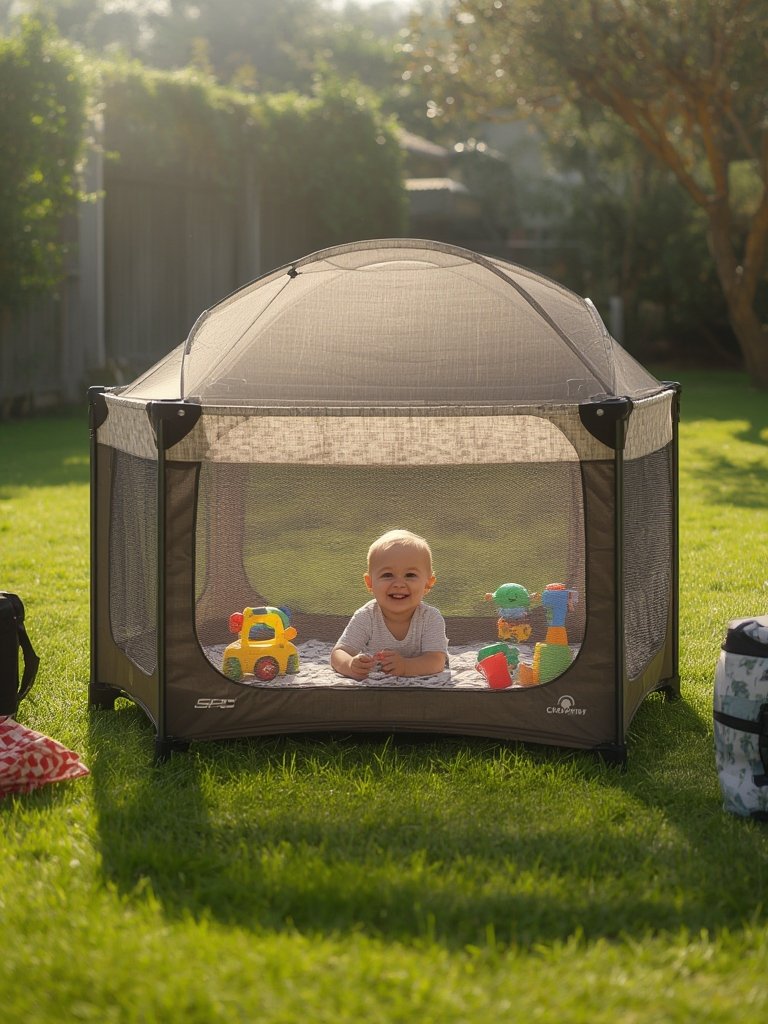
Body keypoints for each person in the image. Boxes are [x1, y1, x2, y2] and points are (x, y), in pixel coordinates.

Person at [331, 529, 449, 680]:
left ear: (428, 583)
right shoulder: (367, 616)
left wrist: (406, 667)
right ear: (370, 583)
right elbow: (338, 653)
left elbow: (436, 661)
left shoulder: (431, 618)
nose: (399, 584)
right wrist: (349, 665)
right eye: (387, 575)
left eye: (410, 575)